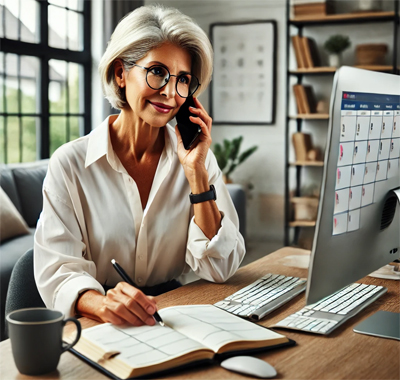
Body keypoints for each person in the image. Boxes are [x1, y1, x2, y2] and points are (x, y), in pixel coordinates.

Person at [34, 4, 245, 328]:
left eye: (183, 80)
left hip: (174, 317)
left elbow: (221, 269)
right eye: (157, 71)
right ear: (121, 73)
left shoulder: (196, 161)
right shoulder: (71, 164)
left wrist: (198, 178)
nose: (170, 93)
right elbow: (59, 271)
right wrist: (103, 304)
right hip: (102, 320)